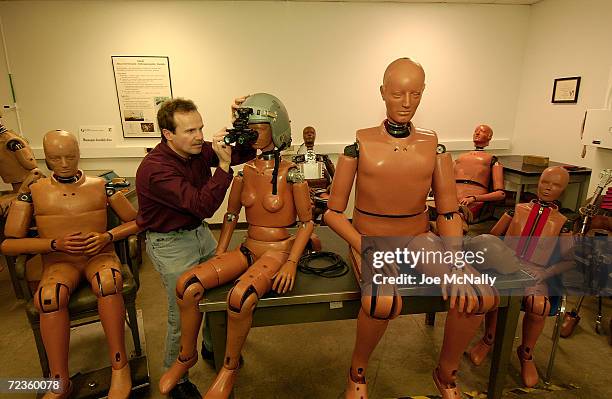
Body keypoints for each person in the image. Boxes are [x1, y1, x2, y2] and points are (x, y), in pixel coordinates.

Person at [324, 58, 498, 399]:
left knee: (480, 294)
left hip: (418, 237)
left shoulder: (434, 147)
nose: (406, 103)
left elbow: (448, 213)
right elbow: (332, 212)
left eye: (415, 94)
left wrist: (457, 261)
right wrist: (363, 245)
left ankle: (446, 373)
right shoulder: (359, 144)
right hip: (370, 238)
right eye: (398, 93)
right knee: (383, 301)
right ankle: (357, 371)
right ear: (383, 93)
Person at [158, 93, 314, 399]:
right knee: (187, 286)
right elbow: (230, 214)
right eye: (249, 127)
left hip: (278, 249)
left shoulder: (291, 172)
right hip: (248, 246)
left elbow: (307, 223)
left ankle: (228, 369)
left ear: (277, 127)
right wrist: (220, 252)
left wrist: (292, 262)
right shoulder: (245, 172)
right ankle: (185, 357)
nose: (252, 133)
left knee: (239, 298)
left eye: (259, 126)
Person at [2, 130, 139, 399]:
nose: (64, 163)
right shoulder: (32, 192)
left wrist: (107, 236)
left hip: (99, 254)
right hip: (59, 260)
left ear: (79, 153)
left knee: (108, 283)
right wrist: (53, 244)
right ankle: (58, 380)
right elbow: (9, 243)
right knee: (49, 298)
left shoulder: (102, 185)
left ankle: (119, 366)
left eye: (70, 156)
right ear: (46, 159)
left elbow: (136, 221)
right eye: (56, 158)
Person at [135, 97, 255, 399]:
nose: (199, 136)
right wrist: (223, 166)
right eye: (189, 131)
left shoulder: (197, 150)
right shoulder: (156, 170)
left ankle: (211, 346)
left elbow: (246, 151)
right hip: (169, 243)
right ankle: (178, 378)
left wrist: (238, 122)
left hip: (199, 235)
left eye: (200, 128)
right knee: (182, 310)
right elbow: (202, 205)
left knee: (220, 295)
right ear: (168, 134)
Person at [468, 166, 574, 387]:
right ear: (539, 181)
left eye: (555, 185)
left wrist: (545, 273)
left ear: (563, 190)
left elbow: (569, 259)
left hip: (536, 272)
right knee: (496, 296)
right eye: (545, 182)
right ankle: (489, 339)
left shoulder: (564, 222)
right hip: (506, 266)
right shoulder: (516, 210)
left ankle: (526, 354)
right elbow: (492, 236)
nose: (548, 188)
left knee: (539, 306)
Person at [454, 124, 505, 222]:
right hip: (451, 199)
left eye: (482, 131)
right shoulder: (460, 158)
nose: (477, 133)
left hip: (470, 203)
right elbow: (445, 179)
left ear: (489, 137)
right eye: (476, 131)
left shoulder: (492, 160)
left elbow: (500, 194)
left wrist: (473, 198)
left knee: (453, 218)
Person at [292, 126, 335, 222]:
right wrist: (301, 187)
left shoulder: (323, 158)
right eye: (306, 133)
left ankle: (324, 229)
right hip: (304, 190)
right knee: (308, 206)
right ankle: (308, 230)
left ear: (315, 135)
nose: (309, 134)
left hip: (321, 190)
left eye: (311, 132)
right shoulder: (297, 159)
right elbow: (291, 178)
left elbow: (335, 176)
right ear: (303, 136)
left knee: (330, 203)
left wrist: (332, 185)